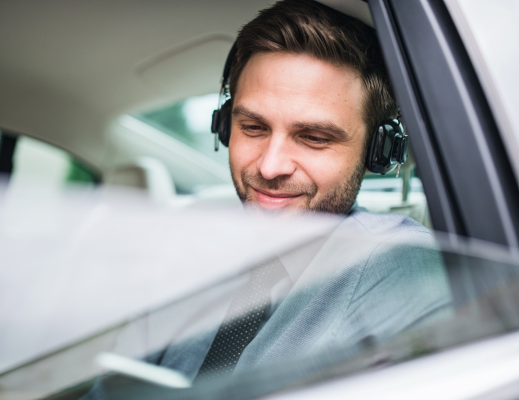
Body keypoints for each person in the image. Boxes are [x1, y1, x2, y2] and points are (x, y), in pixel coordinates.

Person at [85, 1, 452, 397]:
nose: (270, 166)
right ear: (226, 127)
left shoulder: (401, 265)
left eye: (314, 137)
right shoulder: (185, 255)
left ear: (377, 152)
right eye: (254, 127)